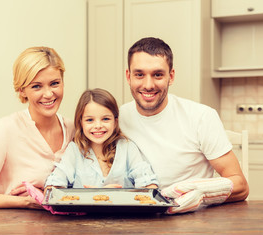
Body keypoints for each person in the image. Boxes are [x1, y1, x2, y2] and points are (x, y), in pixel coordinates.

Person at [119, 37, 249, 214]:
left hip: (192, 221)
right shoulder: (117, 119)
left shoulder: (201, 117)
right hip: (134, 221)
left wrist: (199, 193)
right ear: (129, 76)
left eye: (157, 74)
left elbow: (240, 185)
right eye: (139, 74)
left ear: (170, 76)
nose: (148, 85)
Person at [0, 46, 74, 209]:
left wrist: (45, 193)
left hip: (66, 230)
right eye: (36, 86)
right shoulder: (5, 130)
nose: (48, 94)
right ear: (22, 90)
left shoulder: (75, 129)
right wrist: (25, 202)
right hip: (13, 228)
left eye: (54, 83)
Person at [45, 88, 159, 190]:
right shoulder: (74, 150)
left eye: (105, 119)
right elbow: (52, 188)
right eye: (90, 120)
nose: (98, 125)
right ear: (81, 123)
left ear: (115, 122)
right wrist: (91, 196)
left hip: (122, 214)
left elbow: (150, 185)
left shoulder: (127, 147)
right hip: (85, 214)